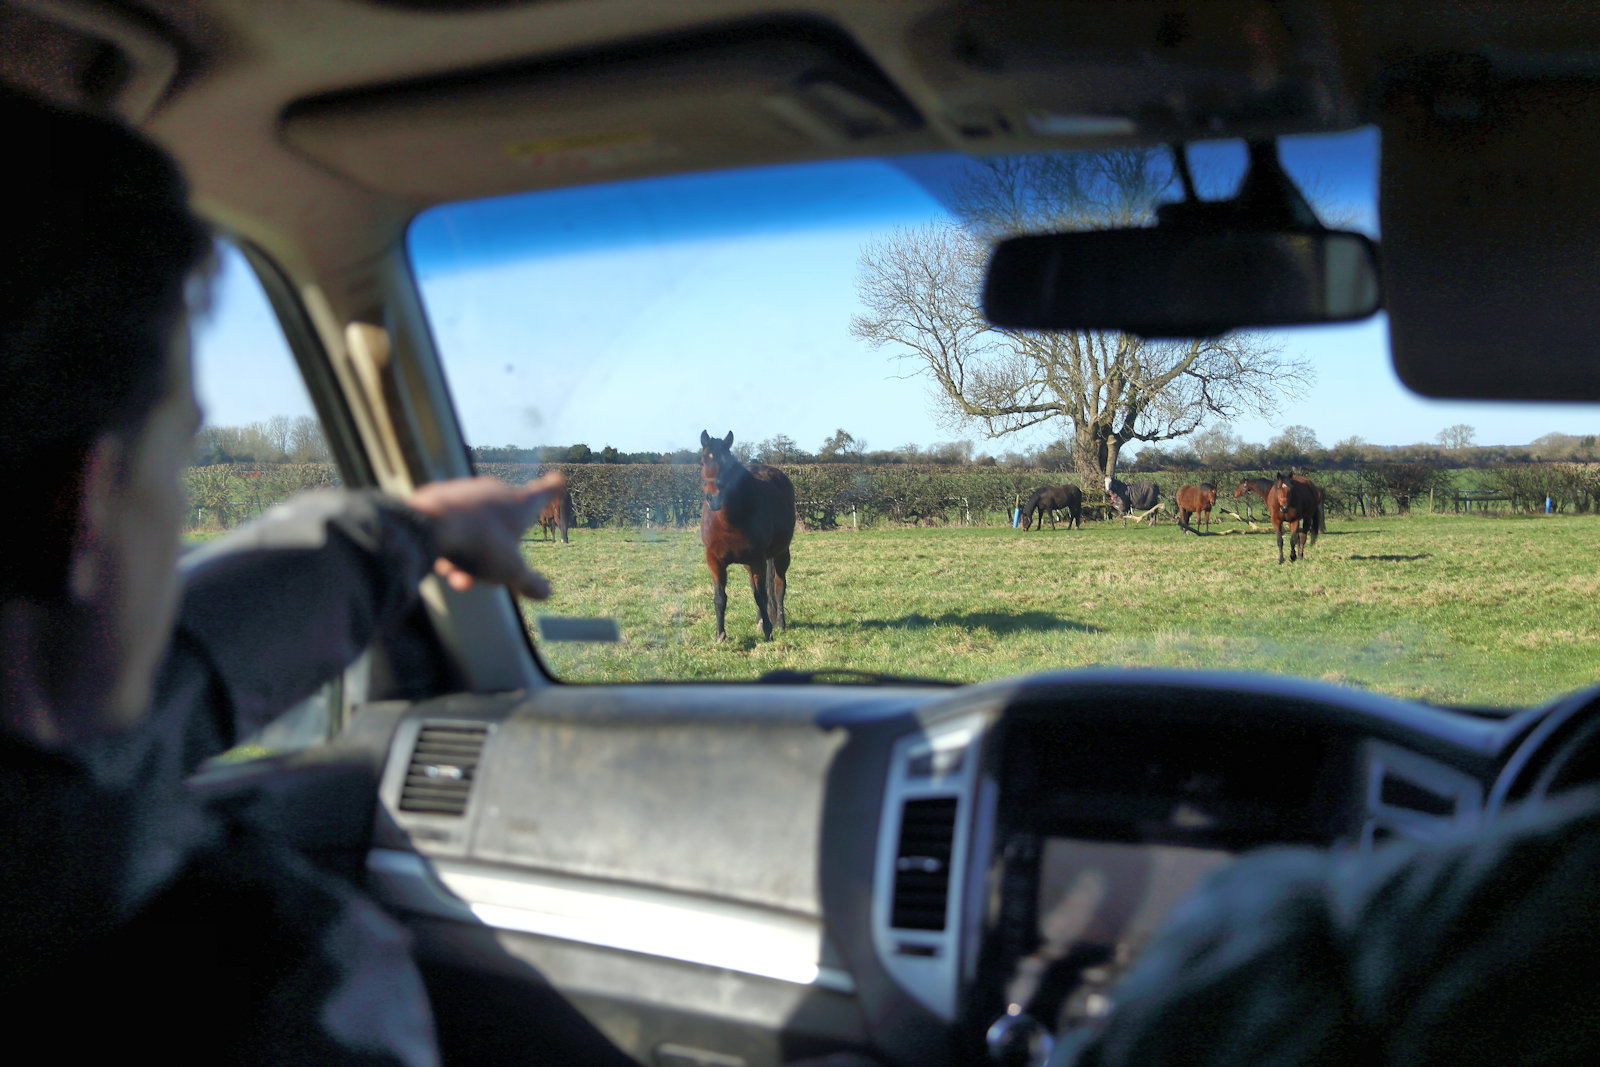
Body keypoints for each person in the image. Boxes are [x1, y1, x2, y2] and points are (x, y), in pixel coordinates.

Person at [0, 85, 567, 1062]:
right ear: (90, 503)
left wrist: (417, 526)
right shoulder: (272, 992)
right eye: (179, 456)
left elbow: (178, 683)